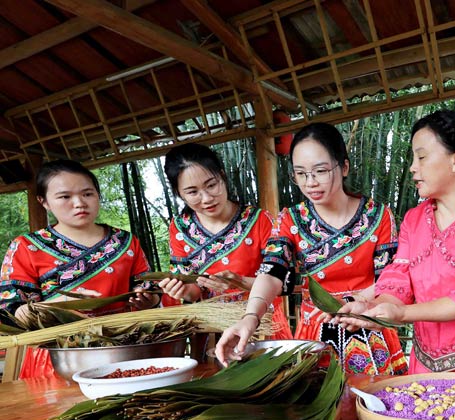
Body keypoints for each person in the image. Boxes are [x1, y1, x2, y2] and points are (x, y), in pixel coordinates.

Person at [336, 110, 455, 380]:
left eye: (422, 157)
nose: (413, 167)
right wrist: (375, 309)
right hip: (426, 366)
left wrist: (401, 313)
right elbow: (398, 282)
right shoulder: (414, 220)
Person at [215, 123, 407, 378]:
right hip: (315, 335)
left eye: (320, 171)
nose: (310, 182)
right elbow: (272, 271)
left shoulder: (379, 216)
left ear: (344, 167)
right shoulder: (290, 220)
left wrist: (355, 302)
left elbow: (390, 278)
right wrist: (251, 317)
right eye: (301, 173)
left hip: (370, 326)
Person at [0, 160, 159, 378]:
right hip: (57, 358)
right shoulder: (26, 247)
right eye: (65, 197)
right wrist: (57, 306)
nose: (79, 203)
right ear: (44, 201)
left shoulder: (125, 241)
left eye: (87, 194)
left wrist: (150, 299)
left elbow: (148, 288)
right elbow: (11, 313)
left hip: (122, 347)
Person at [158, 143, 291, 339]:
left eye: (212, 185)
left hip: (262, 326)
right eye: (193, 192)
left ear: (222, 176)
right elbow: (193, 291)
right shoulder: (179, 228)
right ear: (179, 193)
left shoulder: (259, 220)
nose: (206, 198)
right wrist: (183, 290)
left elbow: (285, 283)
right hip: (212, 330)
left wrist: (240, 283)